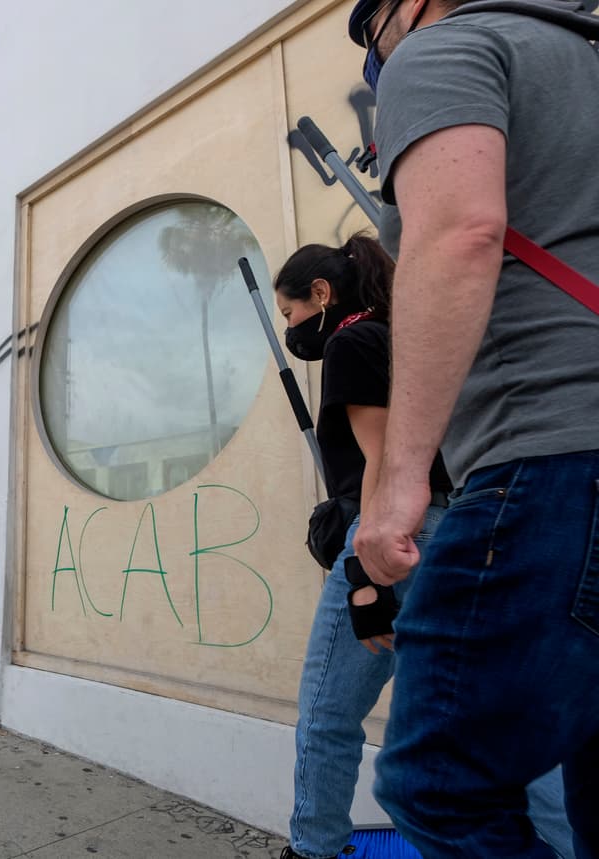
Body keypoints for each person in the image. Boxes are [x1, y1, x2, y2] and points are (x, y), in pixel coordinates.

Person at [344, 1, 599, 855]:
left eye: (371, 30)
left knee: (438, 778)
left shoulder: (449, 49)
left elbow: (460, 233)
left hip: (554, 449)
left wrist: (401, 481)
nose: (376, 54)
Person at [272, 237, 573, 859]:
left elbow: (385, 466)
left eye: (290, 313)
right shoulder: (417, 338)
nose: (291, 329)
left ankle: (312, 850)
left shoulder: (355, 343)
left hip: (393, 536)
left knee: (329, 715)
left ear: (321, 295)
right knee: (499, 716)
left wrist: (364, 576)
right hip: (465, 527)